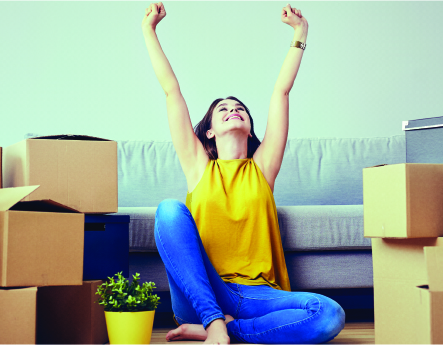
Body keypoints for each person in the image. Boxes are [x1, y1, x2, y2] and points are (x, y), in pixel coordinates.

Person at [142, 2, 345, 344]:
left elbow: (281, 92)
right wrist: (149, 31)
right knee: (168, 211)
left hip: (256, 297)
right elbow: (171, 91)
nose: (233, 110)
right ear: (209, 131)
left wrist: (300, 33)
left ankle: (225, 329)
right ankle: (212, 320)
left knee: (328, 314)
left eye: (240, 109)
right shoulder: (198, 165)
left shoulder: (263, 167)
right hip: (202, 291)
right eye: (223, 109)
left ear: (250, 129)